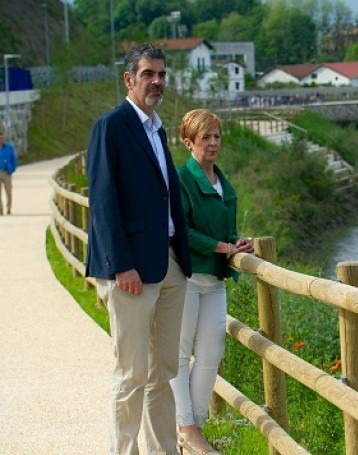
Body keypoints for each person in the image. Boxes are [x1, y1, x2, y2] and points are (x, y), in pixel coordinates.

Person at [85, 43, 192, 455]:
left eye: (161, 74)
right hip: (131, 271)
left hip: (169, 264)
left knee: (162, 371)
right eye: (148, 74)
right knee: (131, 372)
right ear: (129, 80)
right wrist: (120, 265)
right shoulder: (111, 127)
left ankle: (162, 450)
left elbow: (166, 197)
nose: (156, 81)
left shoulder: (157, 129)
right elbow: (104, 200)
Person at [172, 109, 253, 455]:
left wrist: (237, 243)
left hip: (215, 278)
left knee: (211, 353)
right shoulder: (181, 179)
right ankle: (188, 430)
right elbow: (180, 230)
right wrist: (220, 246)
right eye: (205, 137)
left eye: (217, 136)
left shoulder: (223, 183)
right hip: (186, 276)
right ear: (188, 142)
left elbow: (224, 231)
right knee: (178, 354)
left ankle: (194, 427)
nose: (213, 143)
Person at [0, 128, 17, 215]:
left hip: (7, 172)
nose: (1, 140)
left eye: (2, 138)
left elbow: (14, 159)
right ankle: (0, 210)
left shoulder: (9, 148)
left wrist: (12, 169)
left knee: (8, 191)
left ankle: (8, 208)